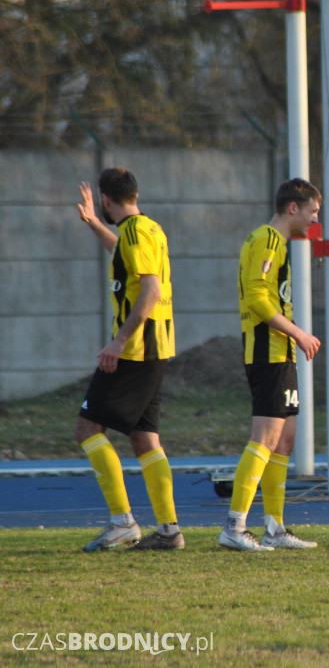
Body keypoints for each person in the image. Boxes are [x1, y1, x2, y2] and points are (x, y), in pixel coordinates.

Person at [74, 167, 184, 551]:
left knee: (87, 429)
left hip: (136, 349)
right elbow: (126, 257)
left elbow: (150, 290)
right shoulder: (147, 228)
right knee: (144, 438)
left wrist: (118, 342)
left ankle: (122, 523)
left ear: (105, 199)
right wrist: (92, 224)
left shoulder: (135, 233)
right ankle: (169, 531)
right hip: (156, 347)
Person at [218, 178, 323, 552]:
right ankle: (234, 525)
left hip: (281, 354)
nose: (314, 219)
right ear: (293, 208)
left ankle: (275, 528)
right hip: (268, 352)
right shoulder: (267, 239)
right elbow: (260, 300)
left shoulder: (275, 242)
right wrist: (299, 333)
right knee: (264, 438)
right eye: (312, 211)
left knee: (285, 439)